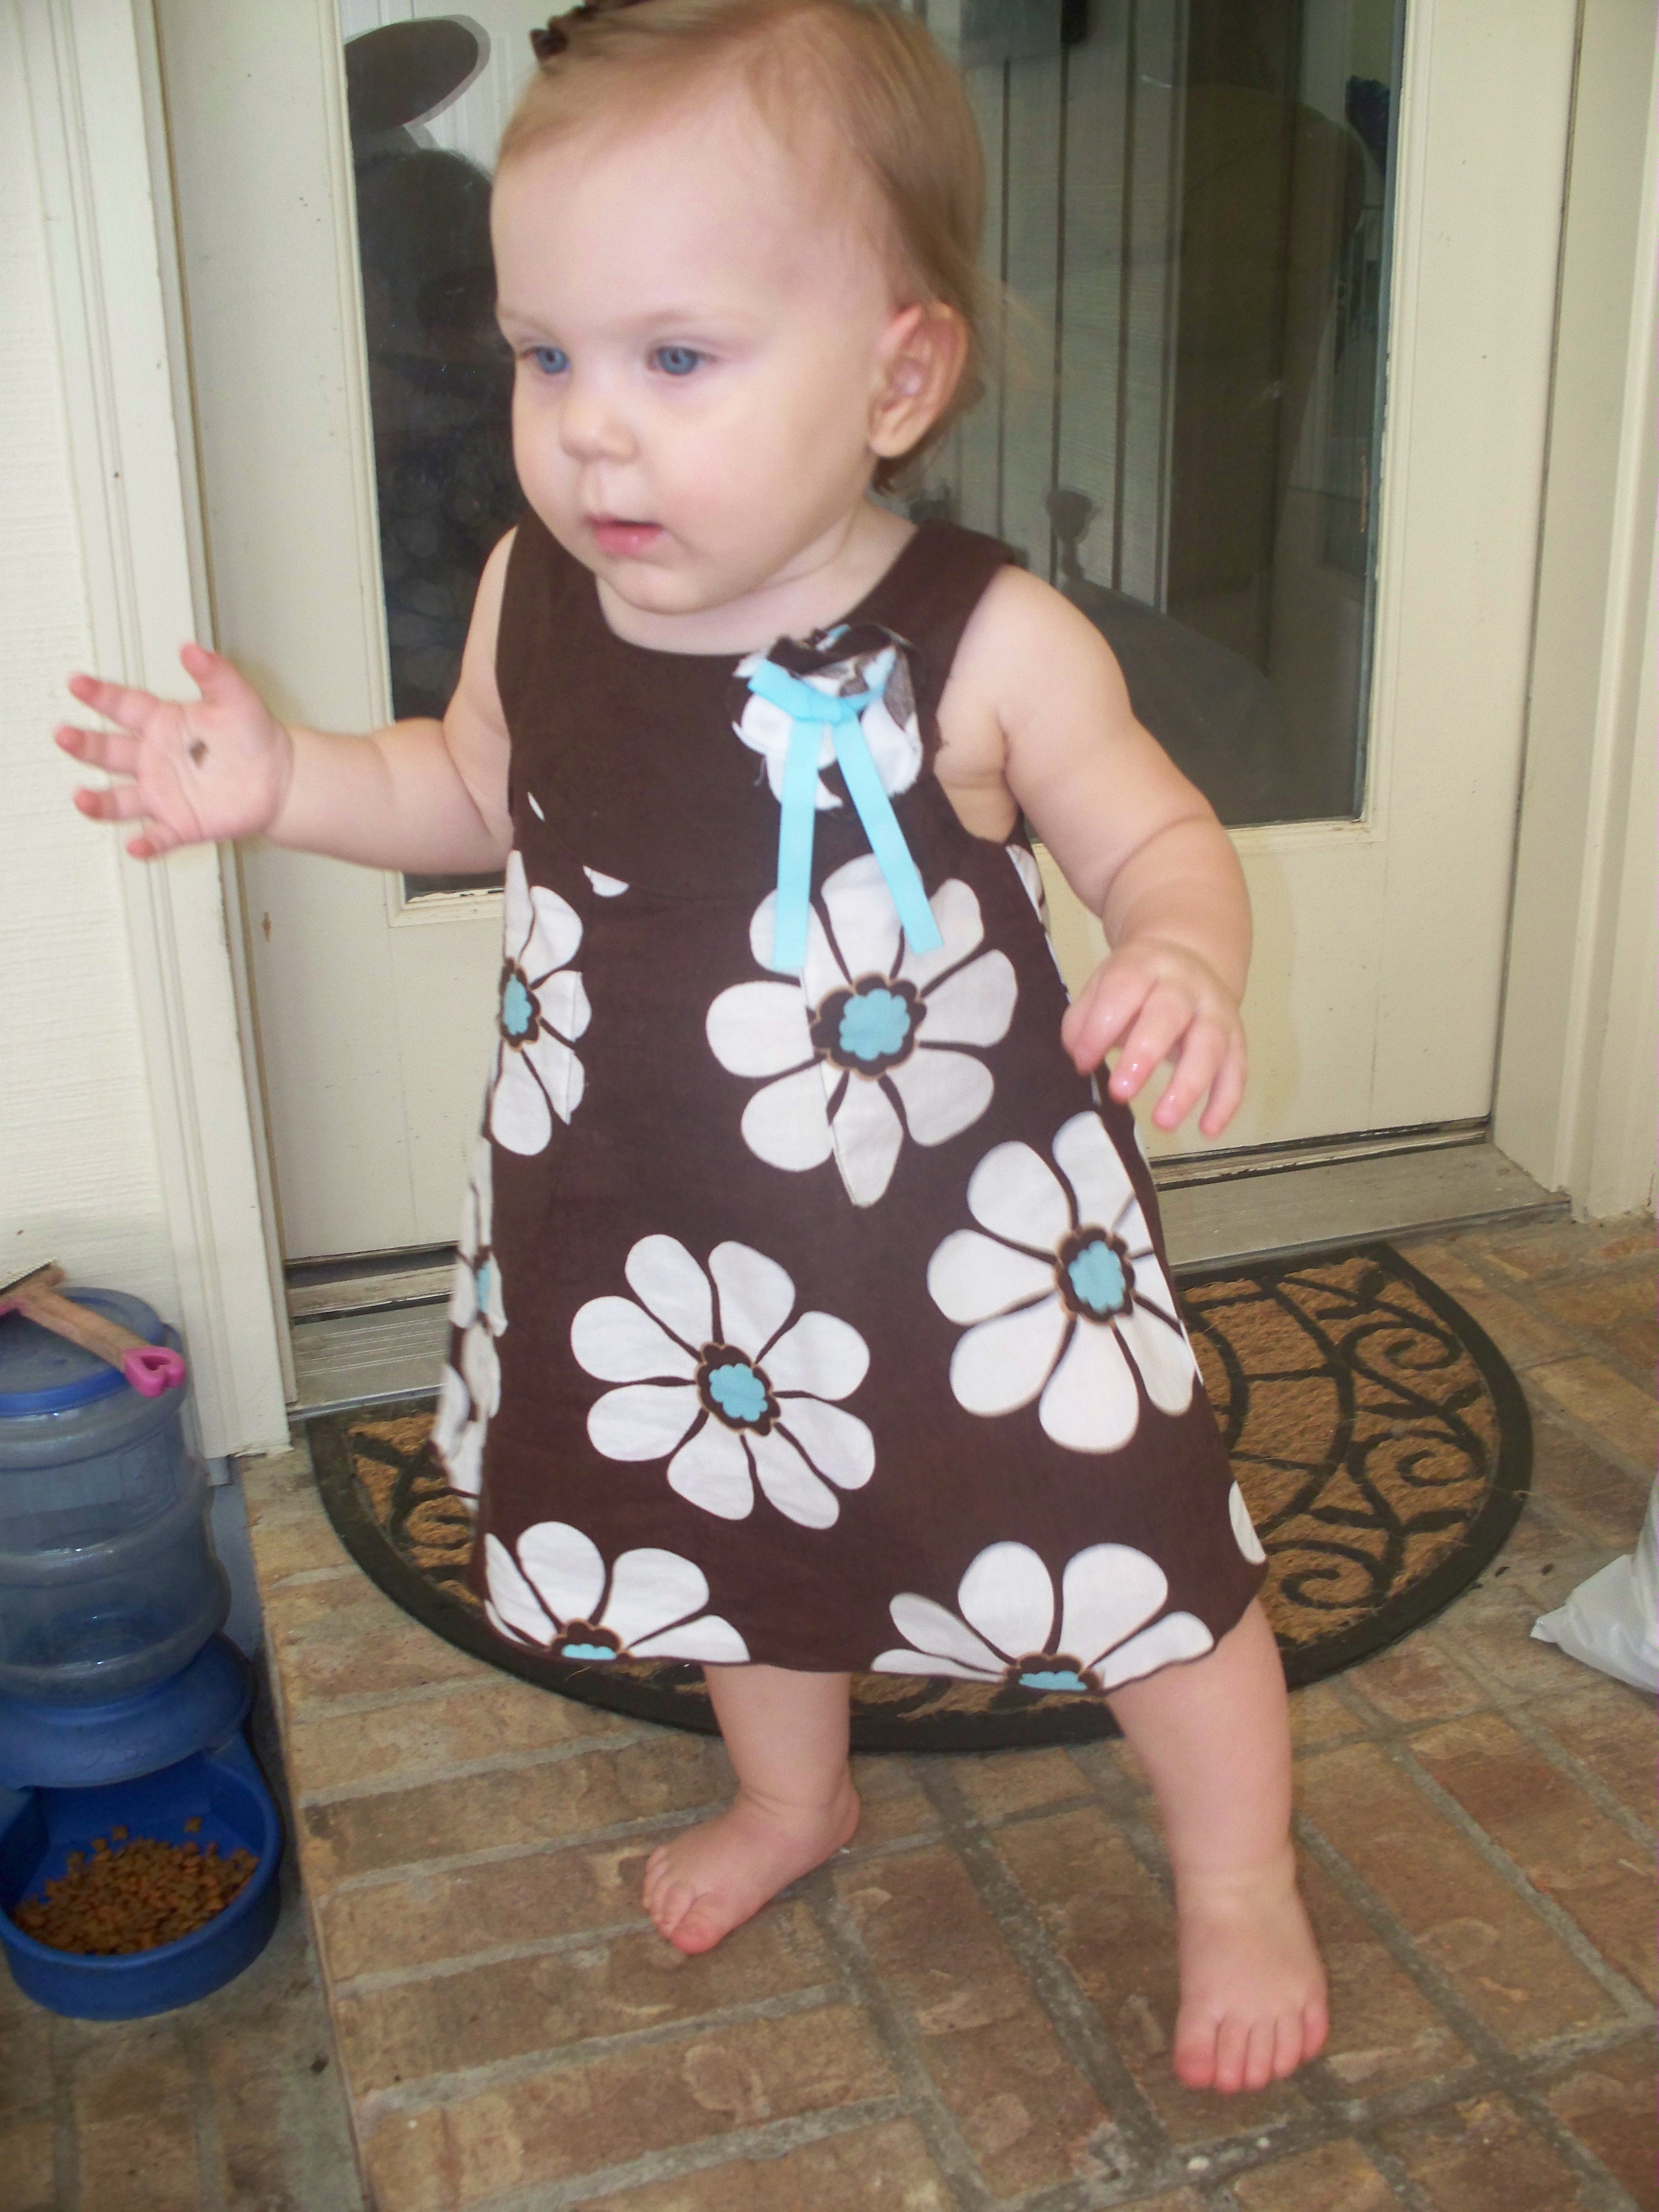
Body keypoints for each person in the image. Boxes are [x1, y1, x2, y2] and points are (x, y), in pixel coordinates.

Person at [54, 0, 1327, 2097]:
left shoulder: (985, 639)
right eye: (545, 355)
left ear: (896, 377)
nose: (589, 432)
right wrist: (288, 781)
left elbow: (1155, 834)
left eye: (674, 359)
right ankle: (790, 1796)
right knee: (736, 1521)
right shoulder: (533, 596)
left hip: (969, 1257)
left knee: (1140, 1540)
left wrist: (1182, 949)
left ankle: (1240, 1874)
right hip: (667, 1251)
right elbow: (470, 793)